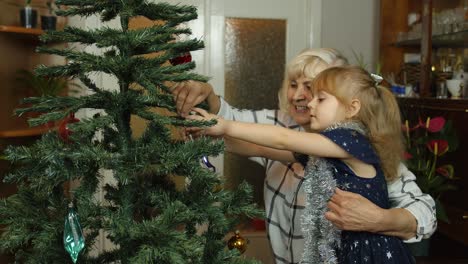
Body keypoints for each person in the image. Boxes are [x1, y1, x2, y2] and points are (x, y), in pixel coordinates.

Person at [172, 48, 436, 264]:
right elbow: (260, 145)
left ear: (350, 104)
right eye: (293, 84)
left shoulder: (355, 141)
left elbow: (425, 212)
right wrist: (210, 130)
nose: (302, 98)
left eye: (315, 92)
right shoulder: (291, 132)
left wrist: (381, 220)